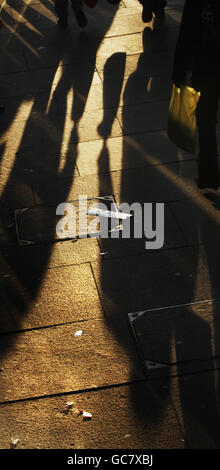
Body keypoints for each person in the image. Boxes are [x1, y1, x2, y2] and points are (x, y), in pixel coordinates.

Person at [172, 0, 220, 190]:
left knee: (206, 123)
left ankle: (209, 173)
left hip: (205, 65)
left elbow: (188, 31)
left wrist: (179, 69)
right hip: (207, 66)